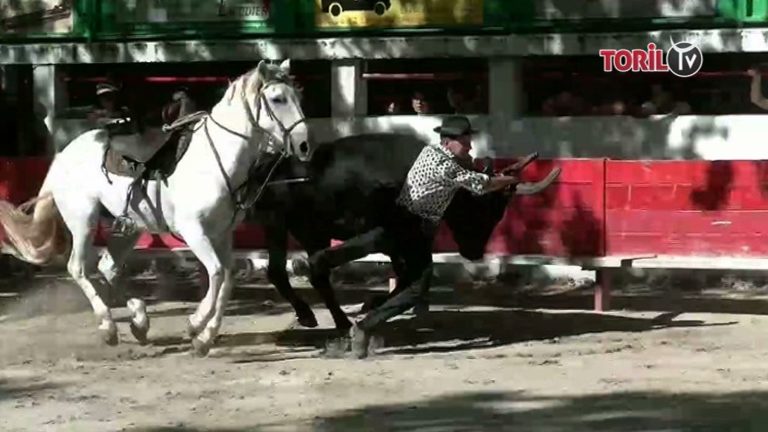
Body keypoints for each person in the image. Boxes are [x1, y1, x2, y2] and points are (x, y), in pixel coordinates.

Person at [395, 115, 520, 239]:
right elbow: (480, 184)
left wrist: (495, 176)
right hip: (411, 225)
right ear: (447, 143)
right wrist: (513, 179)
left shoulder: (432, 151)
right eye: (464, 143)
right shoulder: (442, 164)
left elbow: (470, 173)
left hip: (415, 223)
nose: (469, 147)